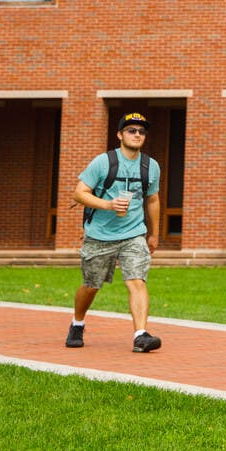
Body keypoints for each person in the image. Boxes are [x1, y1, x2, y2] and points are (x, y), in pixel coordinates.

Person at [66, 112, 163, 353]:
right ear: (120, 135)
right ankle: (77, 323)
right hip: (99, 235)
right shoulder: (103, 162)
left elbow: (152, 199)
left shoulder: (150, 166)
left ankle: (140, 335)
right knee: (91, 285)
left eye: (141, 131)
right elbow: (79, 193)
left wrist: (154, 233)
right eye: (131, 130)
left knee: (137, 281)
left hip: (134, 234)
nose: (137, 134)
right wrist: (108, 205)